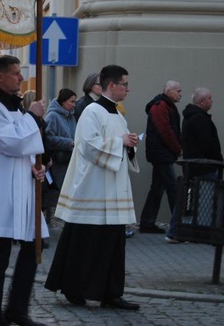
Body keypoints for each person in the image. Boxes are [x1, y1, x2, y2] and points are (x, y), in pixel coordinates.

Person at [44, 64, 140, 311]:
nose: (128, 89)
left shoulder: (119, 115)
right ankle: (75, 289)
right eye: (125, 84)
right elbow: (87, 145)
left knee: (114, 244)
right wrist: (120, 142)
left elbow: (119, 144)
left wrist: (130, 144)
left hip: (114, 189)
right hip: (94, 190)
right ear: (112, 85)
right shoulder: (91, 112)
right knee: (85, 242)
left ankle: (111, 293)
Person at [0, 54, 48, 326]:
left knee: (33, 246)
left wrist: (35, 168)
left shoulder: (14, 108)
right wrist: (33, 118)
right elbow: (10, 143)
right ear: (0, 77)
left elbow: (23, 151)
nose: (21, 78)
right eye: (15, 73)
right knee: (0, 254)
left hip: (22, 188)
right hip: (0, 190)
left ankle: (17, 308)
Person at [165, 87, 224, 243]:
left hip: (194, 164)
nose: (212, 101)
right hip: (204, 165)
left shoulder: (191, 117)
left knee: (187, 197)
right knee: (207, 198)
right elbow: (207, 143)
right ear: (201, 101)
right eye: (209, 98)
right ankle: (201, 232)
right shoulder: (200, 119)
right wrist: (218, 159)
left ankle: (177, 231)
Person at [139, 80, 182, 234]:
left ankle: (147, 222)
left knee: (158, 188)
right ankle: (178, 225)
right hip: (162, 154)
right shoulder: (161, 106)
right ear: (169, 91)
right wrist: (178, 148)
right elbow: (165, 131)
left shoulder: (162, 105)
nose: (180, 94)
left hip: (160, 153)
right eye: (178, 91)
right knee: (172, 188)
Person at [44, 88, 77, 196]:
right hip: (58, 164)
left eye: (75, 102)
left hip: (70, 162)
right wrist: (68, 143)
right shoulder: (52, 116)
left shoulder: (71, 117)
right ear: (63, 102)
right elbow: (47, 138)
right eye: (71, 102)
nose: (74, 105)